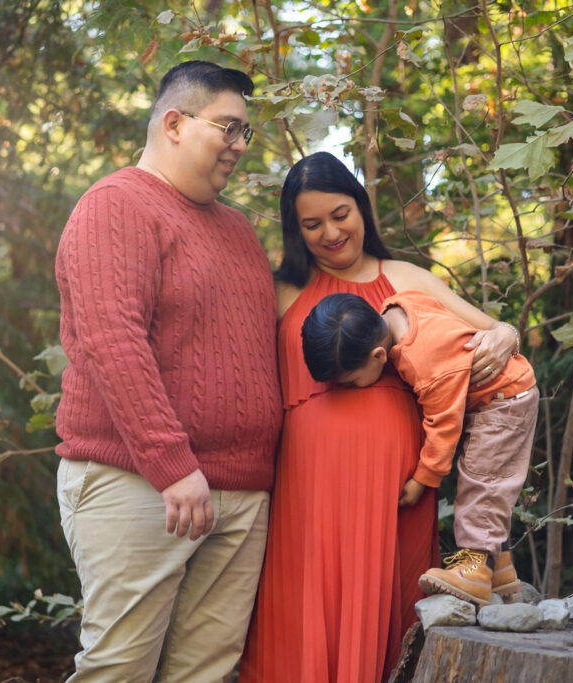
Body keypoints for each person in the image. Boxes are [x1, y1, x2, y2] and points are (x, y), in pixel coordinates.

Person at [239, 151, 518, 683]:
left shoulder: (404, 278)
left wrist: (507, 333)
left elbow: (491, 330)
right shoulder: (281, 290)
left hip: (399, 489)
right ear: (296, 230)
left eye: (340, 214)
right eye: (312, 223)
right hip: (306, 491)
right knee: (301, 615)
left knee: (390, 619)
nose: (330, 232)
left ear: (361, 206)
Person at [54, 60, 283, 681]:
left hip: (240, 493)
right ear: (175, 123)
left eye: (245, 134)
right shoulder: (117, 204)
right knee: (119, 670)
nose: (239, 146)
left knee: (202, 674)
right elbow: (112, 341)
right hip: (144, 482)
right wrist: (172, 465)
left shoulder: (237, 231)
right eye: (228, 128)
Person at [301, 291, 539, 606]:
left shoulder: (423, 359)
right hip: (496, 399)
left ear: (378, 356)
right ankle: (501, 571)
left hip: (503, 402)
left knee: (483, 483)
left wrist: (423, 479)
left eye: (350, 382)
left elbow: (443, 425)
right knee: (484, 482)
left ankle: (476, 571)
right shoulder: (399, 305)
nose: (348, 389)